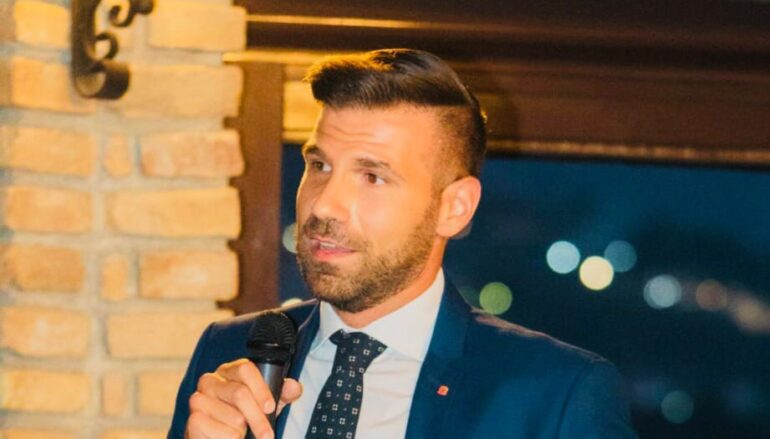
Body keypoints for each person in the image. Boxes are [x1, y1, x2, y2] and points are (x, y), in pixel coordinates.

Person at [168, 48, 637, 439]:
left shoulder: (557, 395)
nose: (324, 205)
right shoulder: (228, 352)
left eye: (372, 176)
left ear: (454, 208)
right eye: (319, 166)